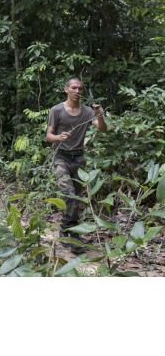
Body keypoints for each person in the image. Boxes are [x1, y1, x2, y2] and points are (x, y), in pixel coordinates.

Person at [46, 77, 107, 253]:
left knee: (77, 199)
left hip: (79, 159)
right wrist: (58, 137)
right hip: (61, 158)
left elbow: (102, 129)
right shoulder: (56, 110)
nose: (77, 91)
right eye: (74, 88)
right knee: (69, 195)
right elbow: (48, 135)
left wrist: (99, 115)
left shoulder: (88, 111)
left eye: (80, 88)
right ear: (66, 89)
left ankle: (66, 230)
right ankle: (73, 235)